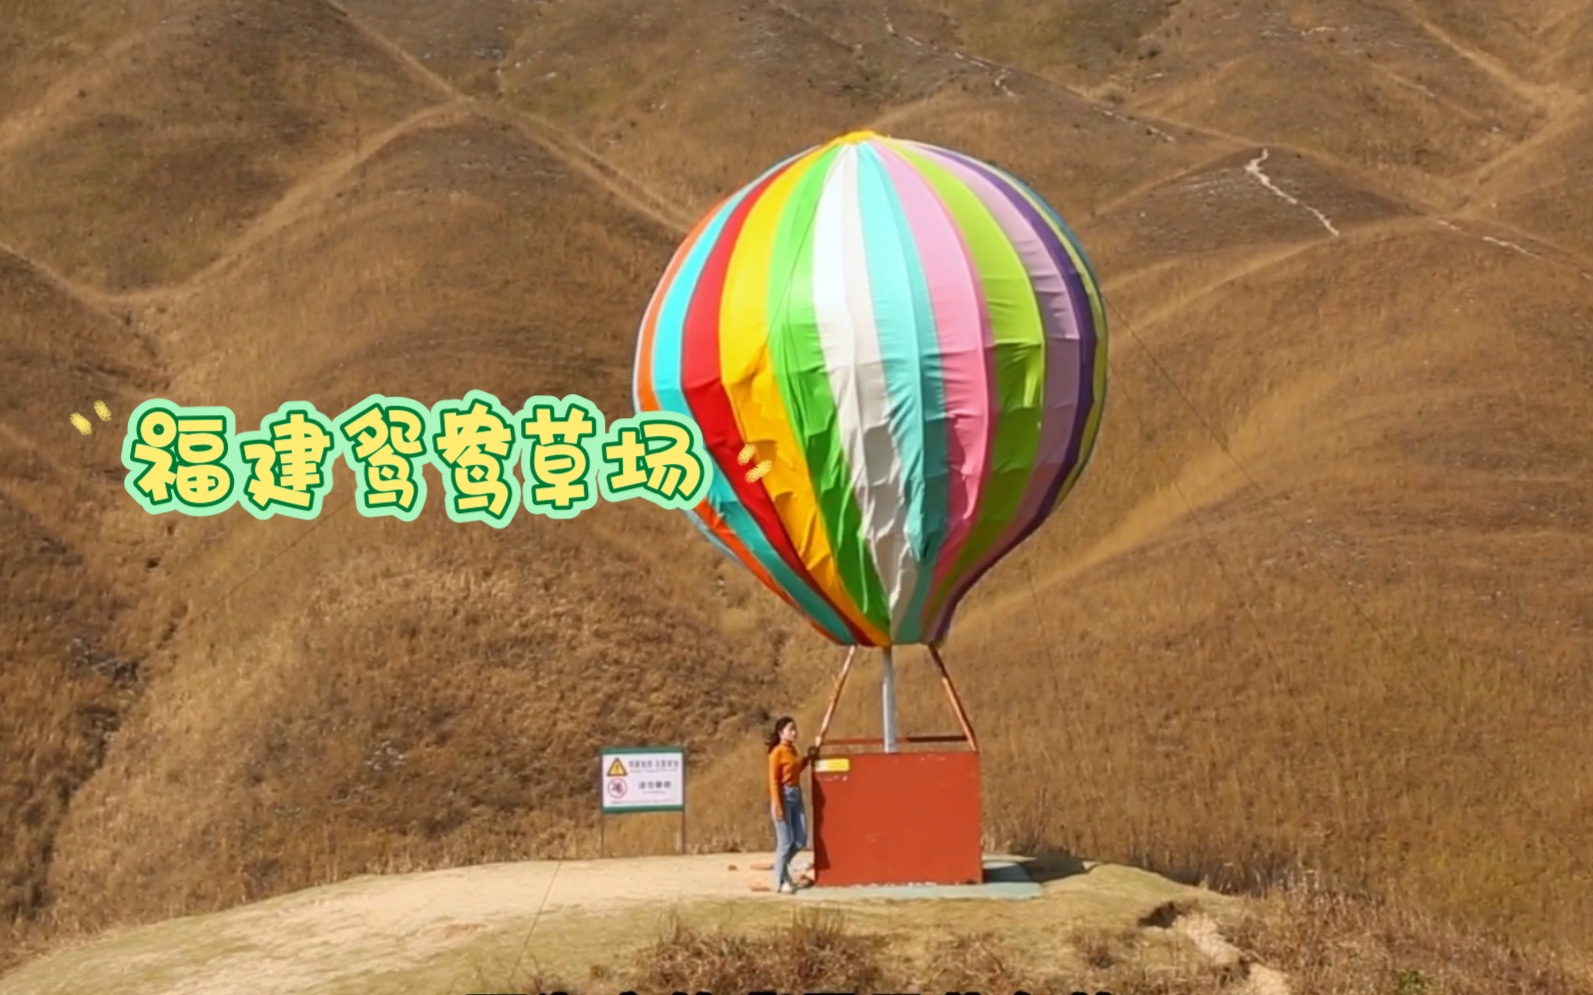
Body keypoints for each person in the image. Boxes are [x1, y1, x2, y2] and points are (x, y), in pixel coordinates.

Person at [765, 715, 817, 893]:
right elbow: (773, 781)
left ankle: (783, 865)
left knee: (801, 839)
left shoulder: (793, 750)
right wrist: (778, 805)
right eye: (790, 729)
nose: (794, 733)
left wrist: (807, 759)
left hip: (796, 794)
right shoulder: (776, 753)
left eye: (795, 729)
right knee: (785, 842)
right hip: (783, 796)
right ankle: (779, 882)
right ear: (781, 733)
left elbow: (795, 769)